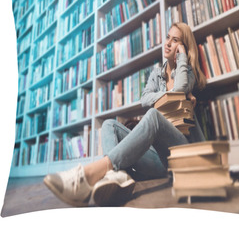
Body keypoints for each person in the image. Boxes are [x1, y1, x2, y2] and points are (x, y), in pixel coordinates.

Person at [44, 22, 207, 207]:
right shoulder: (157, 73)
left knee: (153, 115)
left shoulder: (186, 71)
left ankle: (90, 175)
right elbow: (144, 98)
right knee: (108, 125)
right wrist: (165, 95)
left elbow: (179, 89)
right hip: (156, 157)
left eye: (175, 40)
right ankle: (115, 178)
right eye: (168, 37)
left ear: (183, 47)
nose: (168, 43)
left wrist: (183, 58)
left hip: (180, 152)